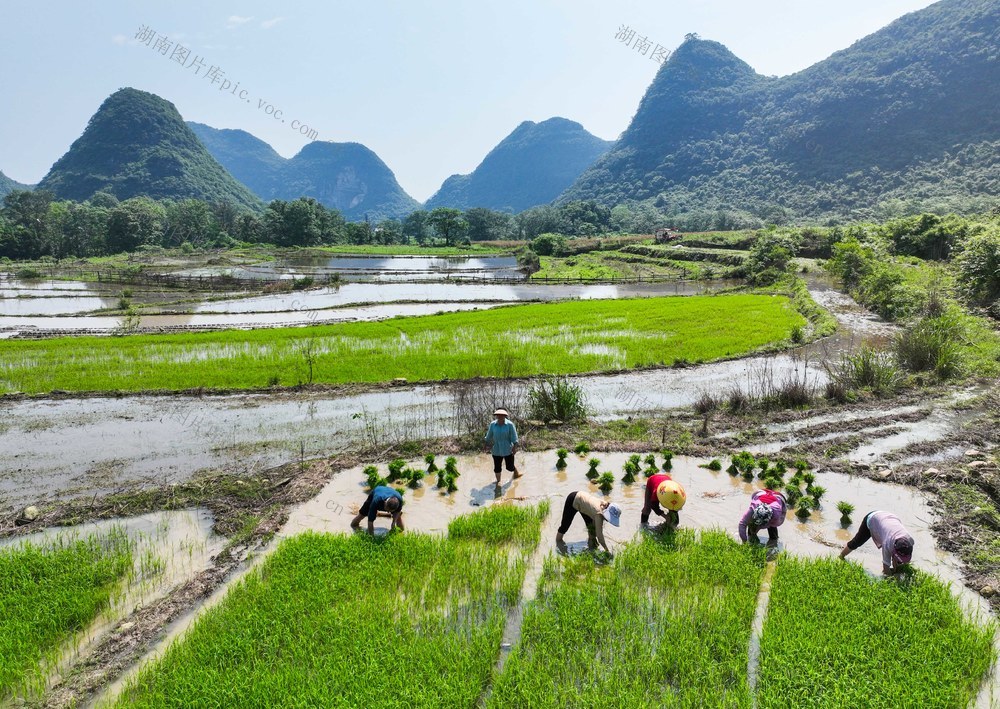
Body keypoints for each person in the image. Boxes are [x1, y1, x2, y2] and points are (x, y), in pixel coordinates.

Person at [839, 510, 914, 575]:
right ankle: (841, 556)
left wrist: (900, 569)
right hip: (873, 519)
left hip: (889, 518)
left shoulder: (910, 540)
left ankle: (896, 566)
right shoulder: (887, 544)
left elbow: (904, 560)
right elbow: (886, 569)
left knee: (898, 560)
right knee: (856, 542)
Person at [555, 490, 621, 554]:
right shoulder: (598, 514)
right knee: (564, 526)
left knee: (591, 529)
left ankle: (591, 548)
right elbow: (599, 536)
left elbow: (596, 528)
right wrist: (607, 550)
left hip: (584, 503)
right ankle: (558, 544)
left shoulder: (605, 505)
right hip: (573, 499)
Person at [484, 408, 519, 488]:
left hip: (507, 449)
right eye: (498, 415)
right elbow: (489, 435)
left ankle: (516, 472)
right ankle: (498, 482)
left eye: (501, 415)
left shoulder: (510, 425)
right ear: (496, 416)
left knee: (510, 467)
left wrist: (515, 447)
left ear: (505, 416)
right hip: (496, 449)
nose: (499, 417)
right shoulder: (493, 424)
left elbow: (514, 437)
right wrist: (486, 444)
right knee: (497, 468)